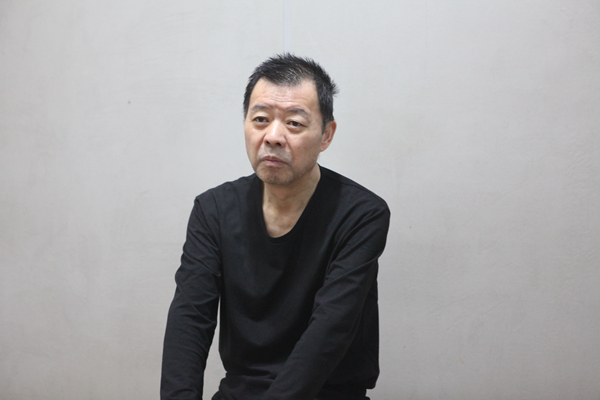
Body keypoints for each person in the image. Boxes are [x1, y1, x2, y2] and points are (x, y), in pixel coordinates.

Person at [161, 54, 390, 400]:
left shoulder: (360, 215)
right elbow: (190, 318)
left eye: (294, 123)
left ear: (326, 135)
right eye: (260, 119)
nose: (273, 136)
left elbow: (330, 330)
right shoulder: (214, 210)